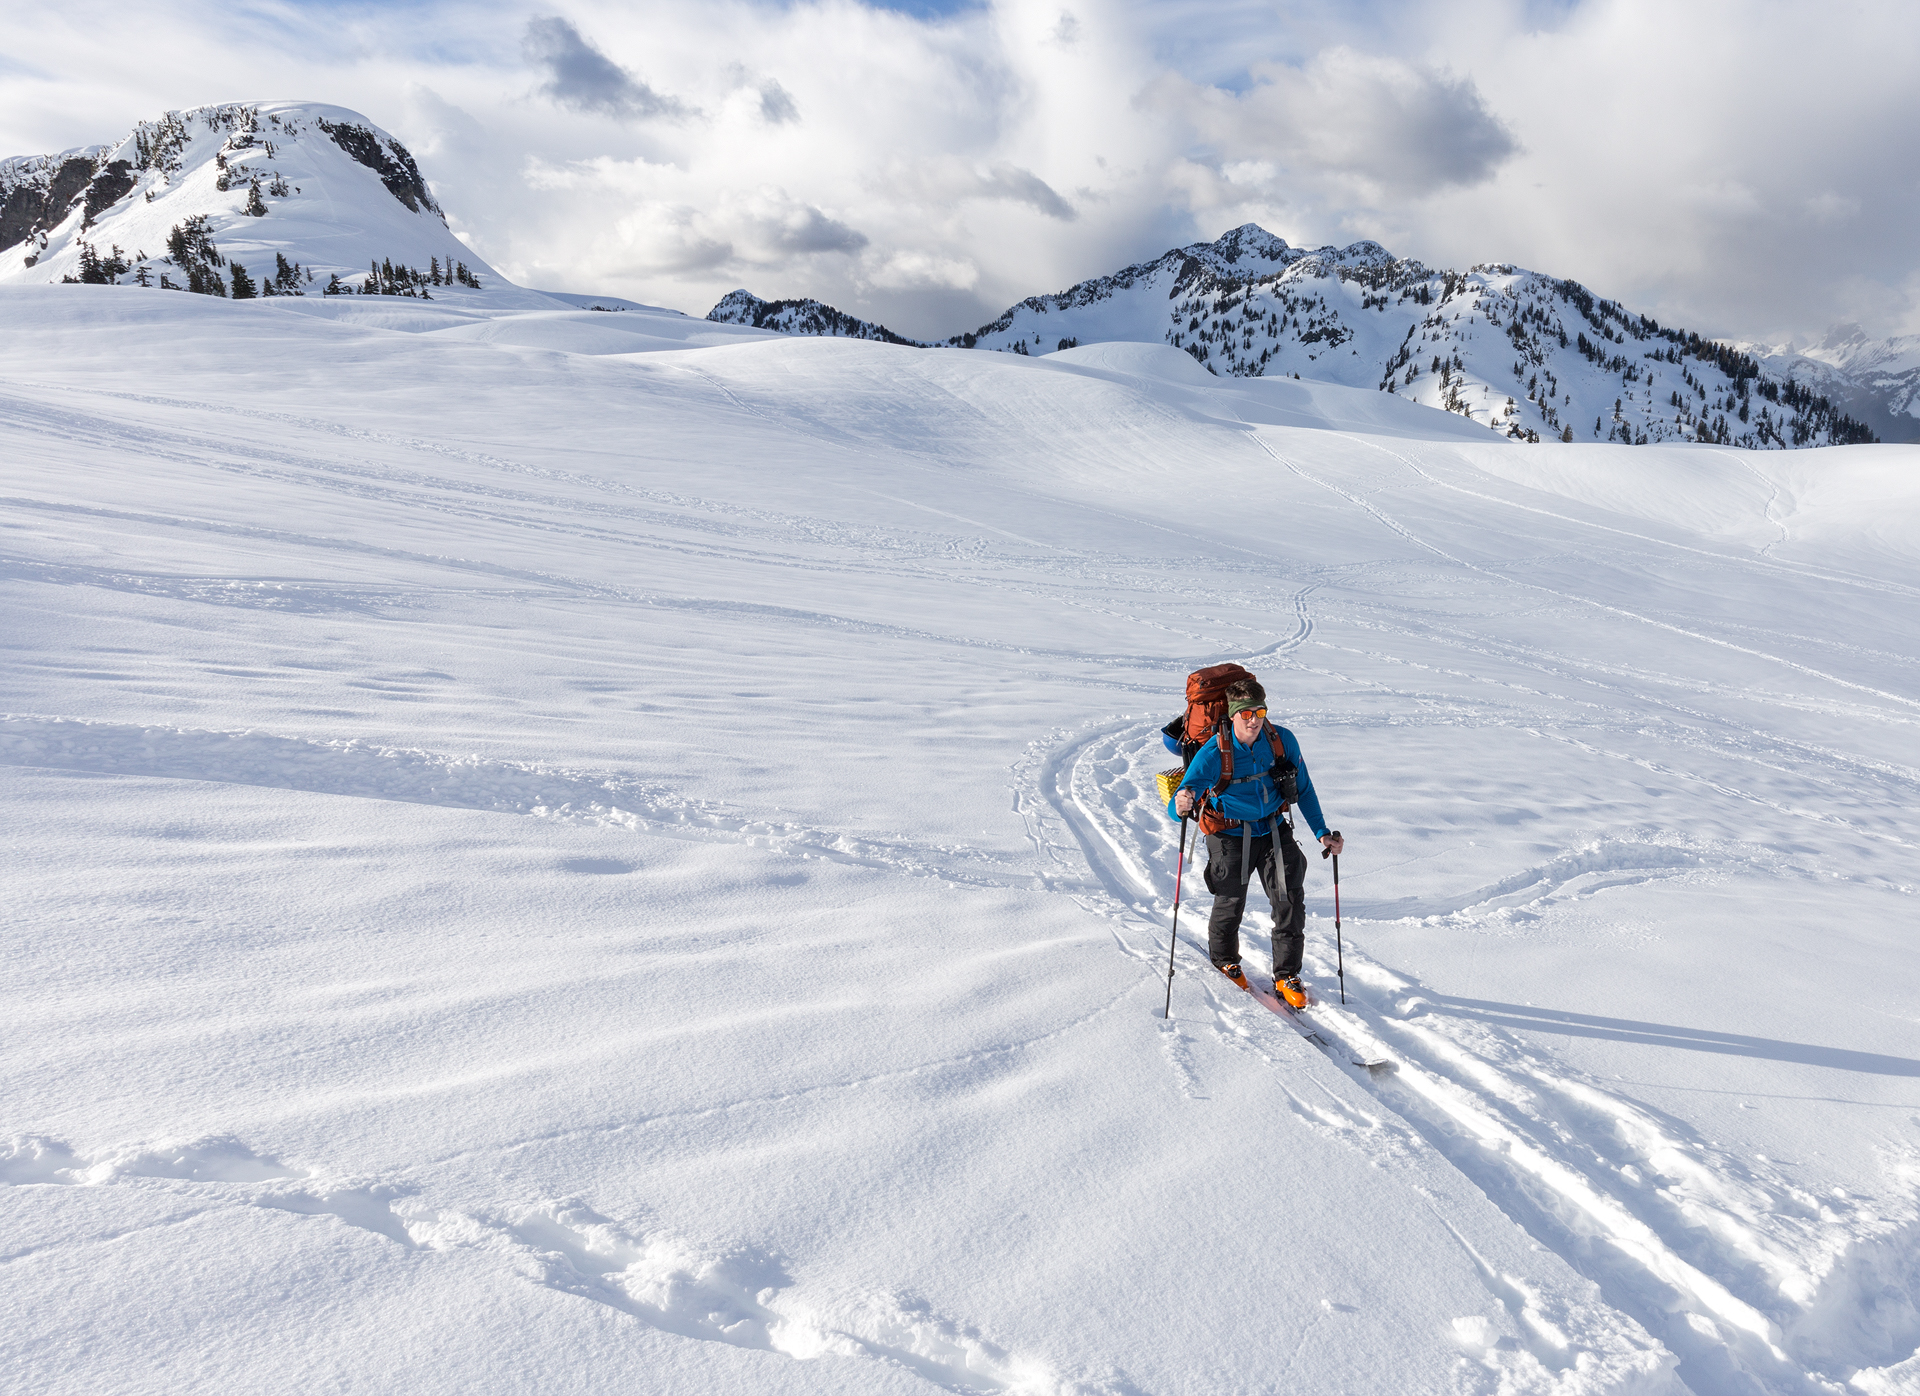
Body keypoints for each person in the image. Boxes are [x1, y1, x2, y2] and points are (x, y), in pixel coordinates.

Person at [1165, 677, 1344, 1007]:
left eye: (1260, 711)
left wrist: (1322, 832)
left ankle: (1287, 973)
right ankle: (1225, 960)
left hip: (1274, 828)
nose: (1254, 720)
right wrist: (1181, 804)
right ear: (1233, 716)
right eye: (1246, 713)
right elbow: (1181, 798)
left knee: (1289, 899)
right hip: (1229, 834)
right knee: (1231, 900)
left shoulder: (1281, 740)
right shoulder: (1214, 752)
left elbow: (1304, 789)